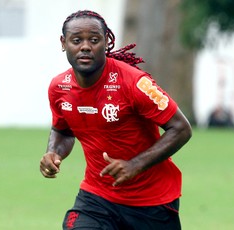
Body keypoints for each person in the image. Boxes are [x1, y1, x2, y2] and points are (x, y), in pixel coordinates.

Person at [40, 10, 192, 230]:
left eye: (94, 40)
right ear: (63, 43)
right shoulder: (59, 87)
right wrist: (54, 152)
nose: (85, 46)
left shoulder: (135, 83)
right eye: (76, 40)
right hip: (96, 197)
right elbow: (63, 130)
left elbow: (181, 129)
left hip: (151, 202)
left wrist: (134, 165)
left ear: (107, 42)